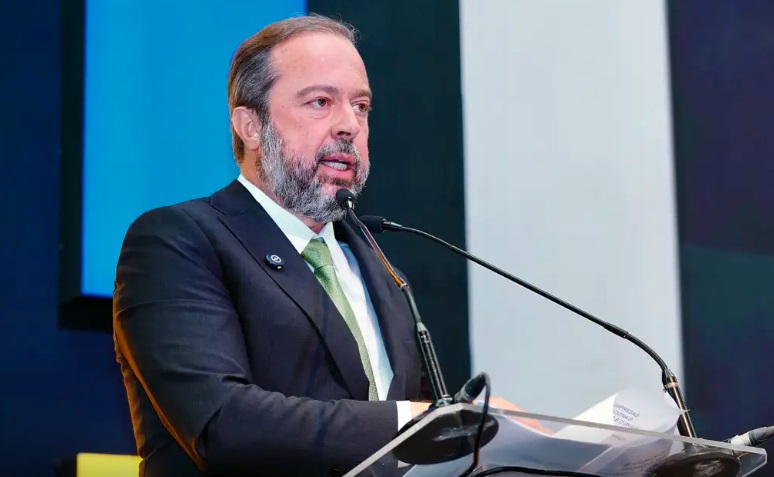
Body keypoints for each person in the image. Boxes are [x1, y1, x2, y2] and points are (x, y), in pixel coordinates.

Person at [113, 15, 435, 477]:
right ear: (251, 126)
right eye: (321, 102)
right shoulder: (178, 241)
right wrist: (414, 422)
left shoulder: (384, 272)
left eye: (361, 106)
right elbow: (222, 423)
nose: (349, 125)